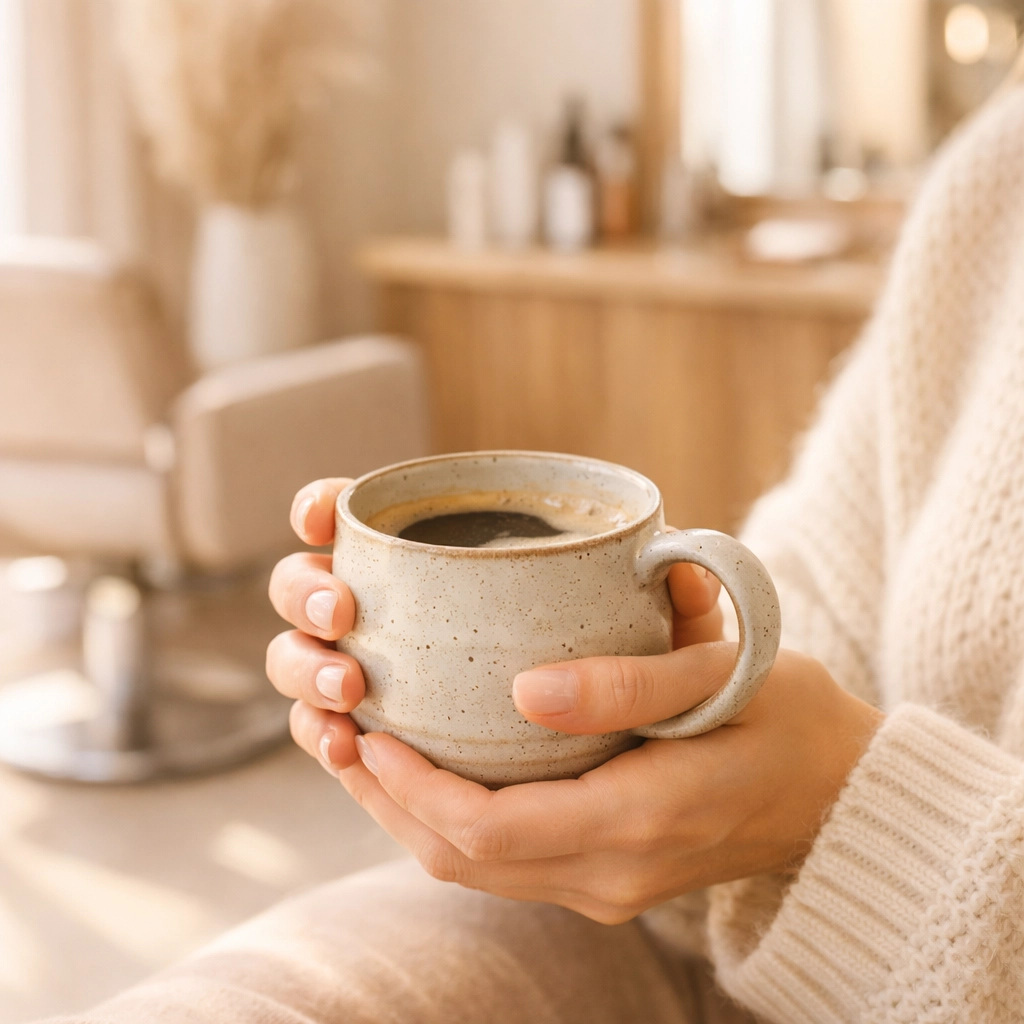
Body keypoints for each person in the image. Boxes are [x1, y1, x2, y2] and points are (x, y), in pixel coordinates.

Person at [49, 60, 1024, 1024]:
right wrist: (697, 742)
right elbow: (809, 590)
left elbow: (829, 766)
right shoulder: (995, 169)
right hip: (734, 917)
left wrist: (843, 802)